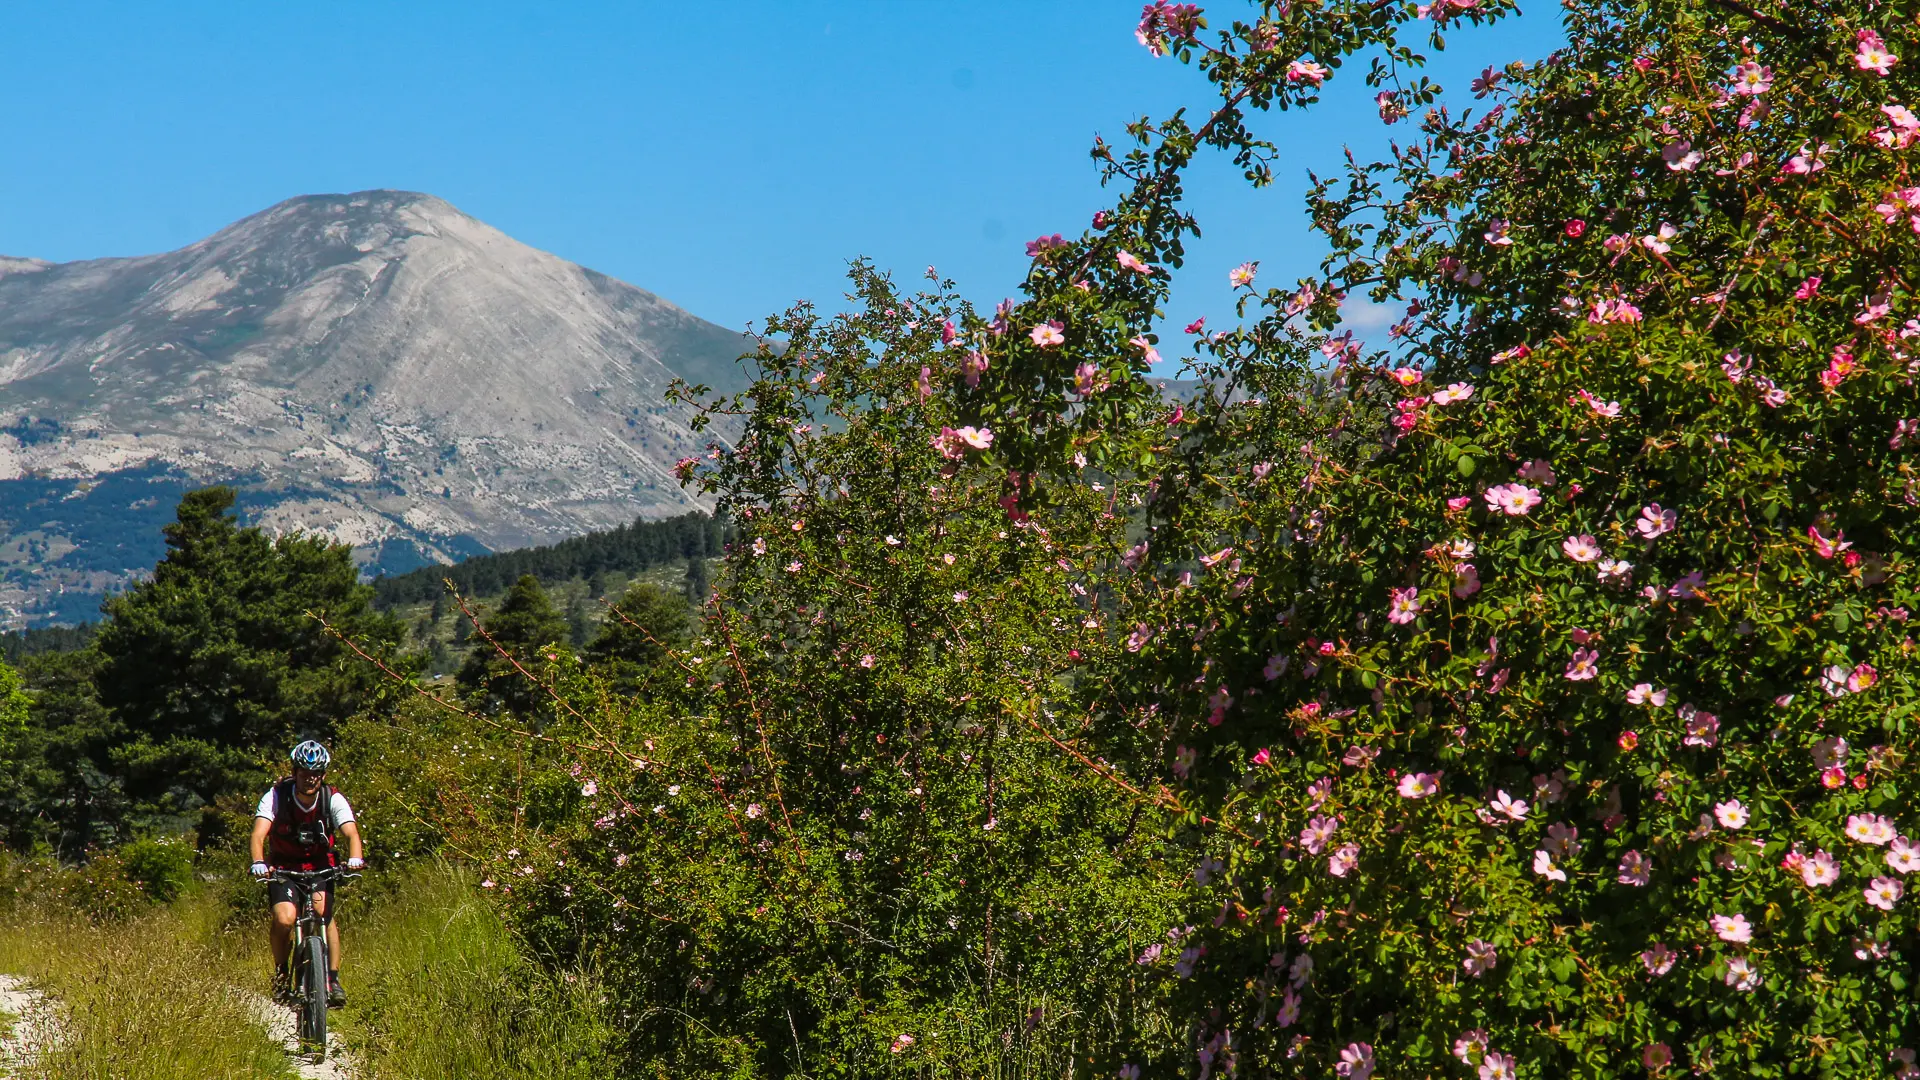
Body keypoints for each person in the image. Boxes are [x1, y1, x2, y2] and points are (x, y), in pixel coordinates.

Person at [249, 740, 365, 1007]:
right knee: (285, 917)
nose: (309, 779)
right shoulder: (276, 796)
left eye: (315, 774)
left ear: (323, 775)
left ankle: (332, 979)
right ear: (295, 772)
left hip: (321, 866)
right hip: (284, 868)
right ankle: (281, 974)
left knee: (323, 912)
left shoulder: (331, 798)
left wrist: (355, 858)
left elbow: (351, 832)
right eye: (304, 772)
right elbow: (258, 834)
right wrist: (258, 861)